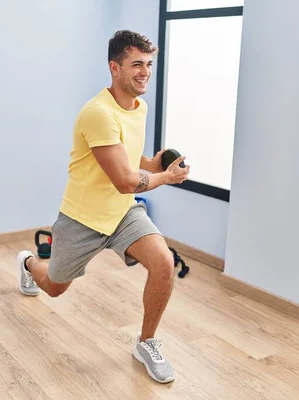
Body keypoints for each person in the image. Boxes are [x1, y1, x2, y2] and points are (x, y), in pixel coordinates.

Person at [16, 30, 190, 384]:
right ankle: (28, 263)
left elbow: (126, 161)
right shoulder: (97, 113)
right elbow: (126, 180)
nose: (145, 72)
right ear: (114, 67)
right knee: (53, 287)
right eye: (136, 64)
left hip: (122, 212)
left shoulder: (138, 107)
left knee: (164, 263)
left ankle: (146, 342)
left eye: (149, 64)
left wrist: (153, 164)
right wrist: (166, 179)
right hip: (82, 219)